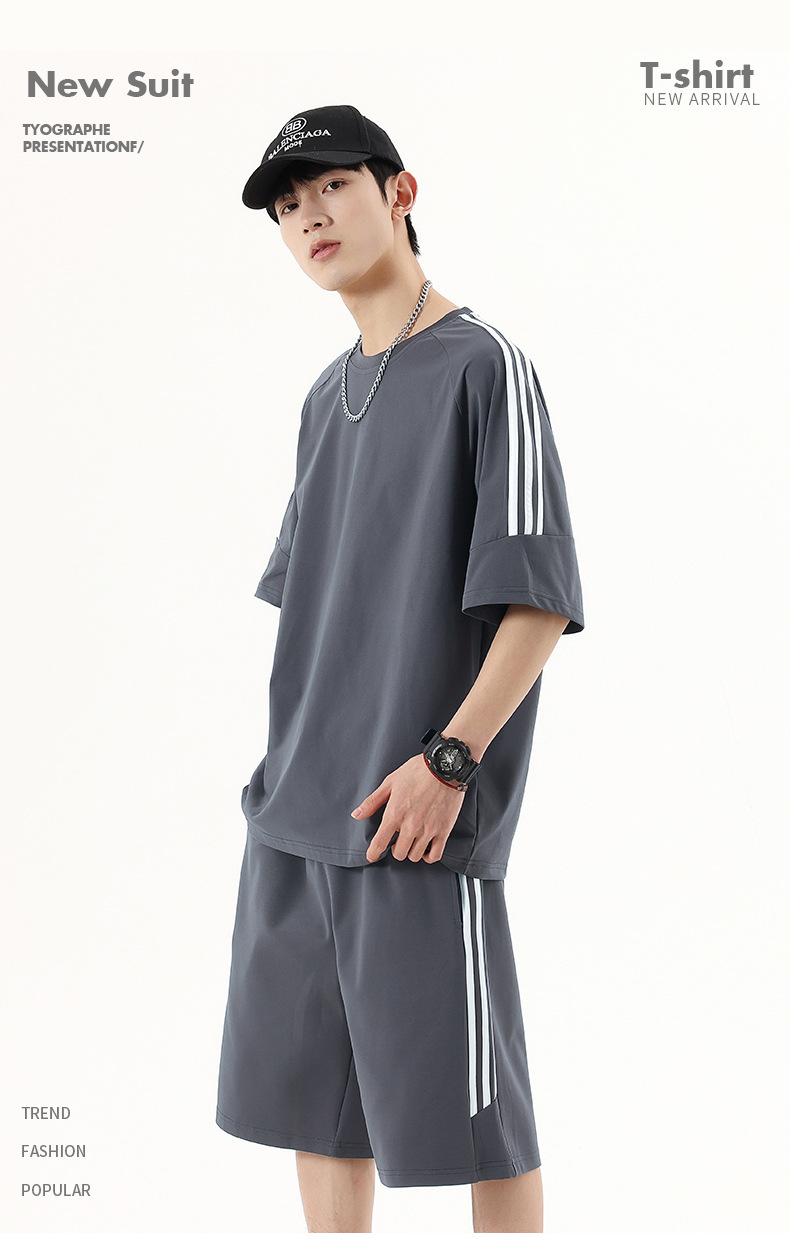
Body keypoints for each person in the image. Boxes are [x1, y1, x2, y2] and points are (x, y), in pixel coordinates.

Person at [216, 104, 585, 1233]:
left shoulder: (486, 368)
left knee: (480, 1122)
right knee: (317, 1116)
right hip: (295, 819)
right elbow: (317, 608)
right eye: (287, 207)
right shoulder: (323, 399)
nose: (309, 218)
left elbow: (537, 599)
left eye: (331, 186)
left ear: (400, 192)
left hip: (414, 813)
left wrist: (448, 761)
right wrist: (281, 776)